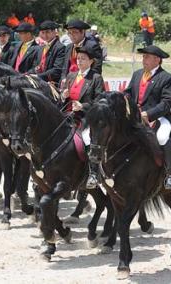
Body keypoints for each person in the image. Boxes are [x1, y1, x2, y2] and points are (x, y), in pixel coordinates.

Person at [124, 45, 171, 190]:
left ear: (157, 60)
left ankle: (169, 174)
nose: (144, 59)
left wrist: (149, 114)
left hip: (158, 117)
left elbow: (166, 103)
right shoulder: (137, 74)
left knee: (162, 137)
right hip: (136, 117)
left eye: (147, 57)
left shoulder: (167, 78)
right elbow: (128, 93)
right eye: (143, 57)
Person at [61, 46, 104, 189]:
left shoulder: (96, 78)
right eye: (78, 58)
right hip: (67, 116)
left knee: (87, 139)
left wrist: (83, 106)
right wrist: (63, 95)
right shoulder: (71, 75)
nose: (79, 61)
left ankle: (93, 173)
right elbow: (63, 98)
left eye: (83, 59)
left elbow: (99, 101)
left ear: (91, 61)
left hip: (86, 118)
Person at [61, 19, 103, 84]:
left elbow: (96, 69)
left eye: (74, 32)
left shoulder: (92, 46)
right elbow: (65, 67)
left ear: (82, 32)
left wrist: (81, 82)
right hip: (68, 82)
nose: (71, 35)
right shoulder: (68, 47)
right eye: (69, 33)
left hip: (85, 84)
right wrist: (63, 78)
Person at [32, 20, 65, 85]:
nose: (45, 35)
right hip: (38, 80)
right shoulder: (41, 47)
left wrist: (39, 77)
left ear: (54, 32)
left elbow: (57, 70)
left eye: (47, 32)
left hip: (52, 82)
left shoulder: (60, 47)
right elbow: (35, 65)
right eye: (43, 32)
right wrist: (27, 74)